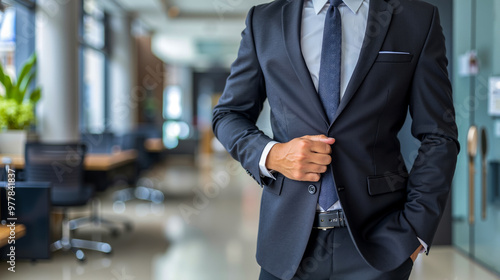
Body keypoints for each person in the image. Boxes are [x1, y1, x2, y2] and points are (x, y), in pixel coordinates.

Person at [212, 0, 459, 279]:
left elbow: (440, 134)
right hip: (286, 245)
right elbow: (228, 114)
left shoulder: (415, 18)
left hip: (379, 245)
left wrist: (415, 230)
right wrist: (272, 154)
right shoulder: (264, 20)